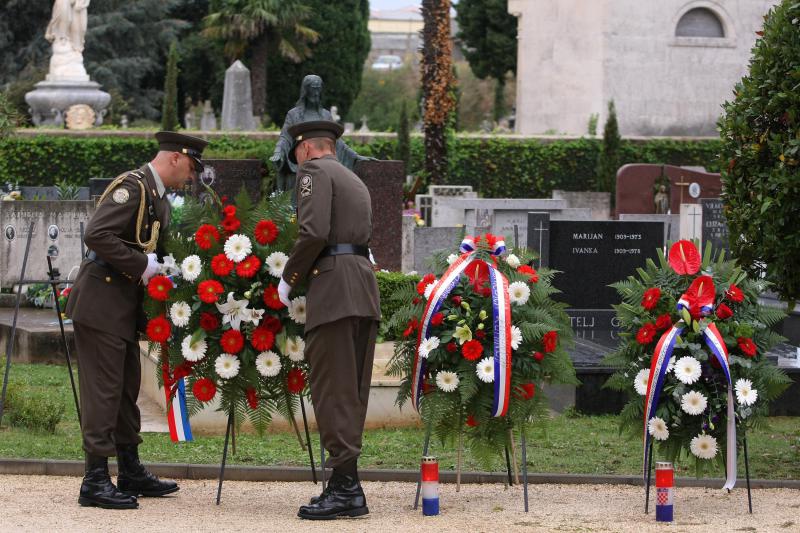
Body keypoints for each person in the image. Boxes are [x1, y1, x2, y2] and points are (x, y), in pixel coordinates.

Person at [65, 131, 207, 509]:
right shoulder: (134, 186)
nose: (191, 177)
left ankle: (129, 469)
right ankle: (95, 478)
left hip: (121, 308)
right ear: (176, 158)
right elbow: (97, 234)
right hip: (100, 303)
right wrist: (143, 264)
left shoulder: (157, 196)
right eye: (191, 167)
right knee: (104, 392)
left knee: (126, 390)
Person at [277, 120, 381, 520]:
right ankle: (345, 483)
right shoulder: (354, 179)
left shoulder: (314, 173)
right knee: (351, 391)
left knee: (331, 389)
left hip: (333, 292)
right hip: (361, 288)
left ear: (304, 149)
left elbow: (314, 232)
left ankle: (345, 488)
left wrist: (289, 278)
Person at [270, 75, 372, 194]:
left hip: (322, 166)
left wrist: (355, 156)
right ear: (306, 90)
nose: (316, 93)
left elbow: (336, 141)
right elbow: (285, 137)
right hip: (300, 164)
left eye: (318, 89)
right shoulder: (294, 115)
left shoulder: (325, 115)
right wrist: (278, 152)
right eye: (313, 88)